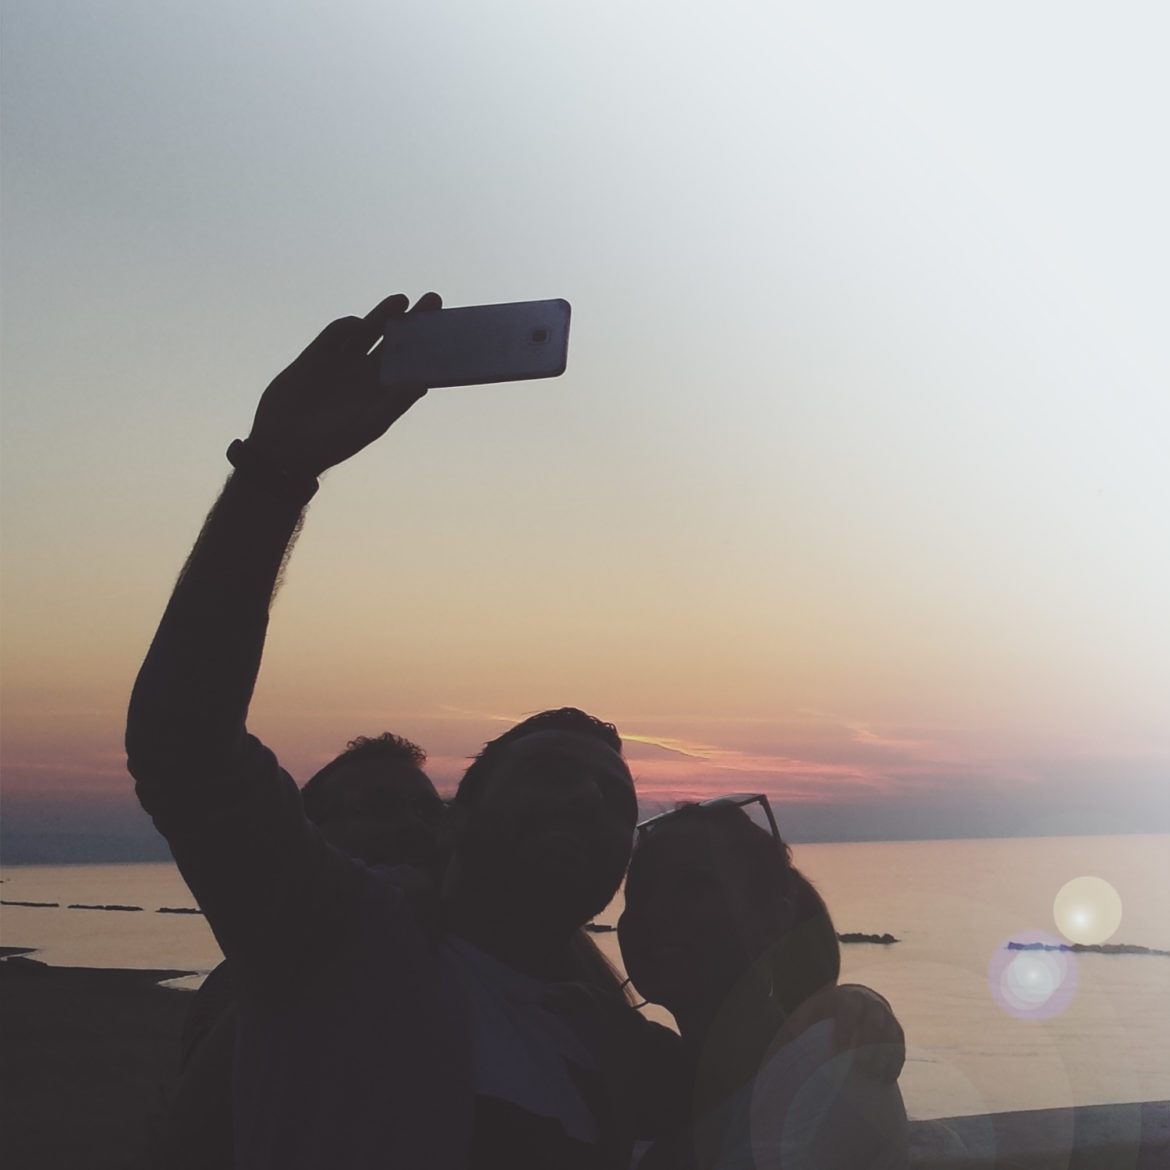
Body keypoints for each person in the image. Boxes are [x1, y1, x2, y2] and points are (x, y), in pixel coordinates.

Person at [126, 294, 682, 1168]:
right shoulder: (338, 942)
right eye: (548, 777)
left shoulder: (603, 1036)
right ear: (456, 822)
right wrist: (274, 472)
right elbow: (184, 743)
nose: (587, 800)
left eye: (615, 797)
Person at [160, 732, 444, 1169]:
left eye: (431, 811)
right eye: (378, 807)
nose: (413, 826)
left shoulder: (474, 961)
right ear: (309, 835)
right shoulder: (260, 976)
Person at [618, 800, 909, 1169]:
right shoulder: (658, 1078)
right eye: (639, 892)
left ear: (775, 920)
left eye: (693, 888)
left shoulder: (833, 1064)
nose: (654, 912)